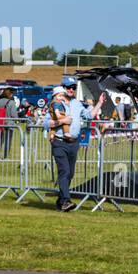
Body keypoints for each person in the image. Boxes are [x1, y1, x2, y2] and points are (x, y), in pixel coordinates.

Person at [49, 77, 103, 211]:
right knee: (64, 171)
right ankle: (66, 201)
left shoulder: (77, 104)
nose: (71, 89)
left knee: (70, 173)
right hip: (59, 142)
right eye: (68, 87)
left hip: (73, 143)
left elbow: (89, 116)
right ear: (63, 88)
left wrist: (99, 103)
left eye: (73, 87)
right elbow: (46, 123)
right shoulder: (56, 102)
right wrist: (63, 121)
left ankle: (61, 200)